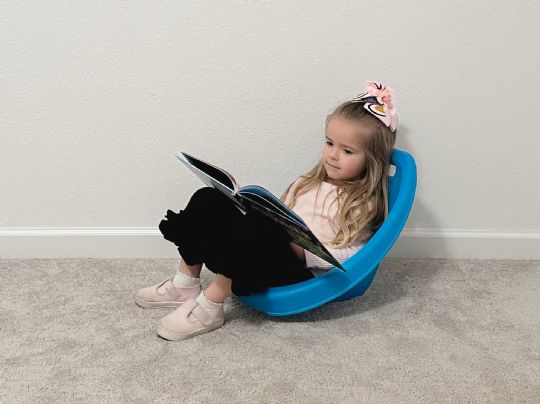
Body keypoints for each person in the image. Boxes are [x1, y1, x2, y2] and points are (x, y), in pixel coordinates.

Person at [134, 80, 398, 341]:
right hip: (271, 249)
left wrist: (303, 251)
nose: (332, 155)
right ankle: (185, 284)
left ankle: (211, 305)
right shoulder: (309, 183)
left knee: (263, 230)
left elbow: (358, 254)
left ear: (372, 160)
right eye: (329, 143)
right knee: (208, 198)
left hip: (301, 274)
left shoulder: (364, 203)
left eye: (347, 150)